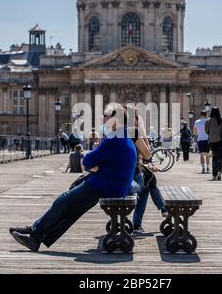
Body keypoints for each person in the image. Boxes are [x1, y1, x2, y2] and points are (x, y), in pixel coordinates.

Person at [9, 103, 137, 252]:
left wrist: (95, 163)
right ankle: (34, 232)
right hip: (115, 184)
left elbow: (87, 161)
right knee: (72, 209)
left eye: (106, 116)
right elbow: (95, 161)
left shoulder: (114, 138)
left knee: (63, 201)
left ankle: (34, 235)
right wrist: (97, 163)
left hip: (106, 185)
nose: (103, 119)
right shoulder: (123, 135)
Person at [205, 107, 222, 181]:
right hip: (220, 141)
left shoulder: (208, 121)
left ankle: (214, 175)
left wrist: (212, 134)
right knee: (219, 157)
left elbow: (206, 131)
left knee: (214, 158)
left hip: (212, 141)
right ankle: (219, 172)